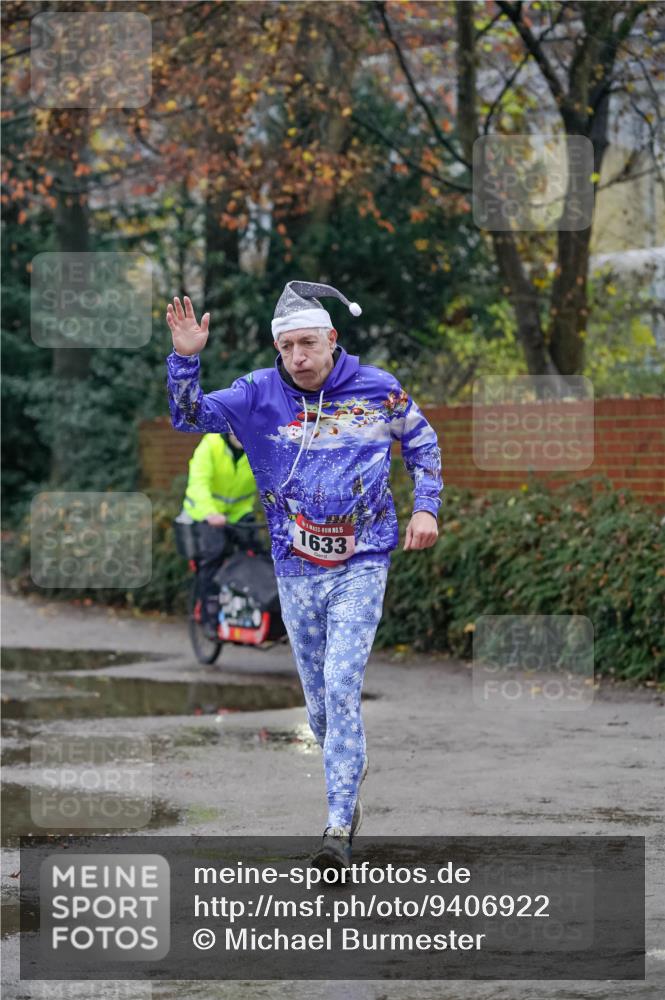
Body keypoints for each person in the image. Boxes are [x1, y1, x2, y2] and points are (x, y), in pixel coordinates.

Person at [165, 280, 442, 870]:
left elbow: (422, 443)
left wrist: (426, 507)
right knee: (319, 707)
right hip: (294, 568)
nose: (298, 357)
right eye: (287, 347)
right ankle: (348, 757)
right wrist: (186, 357)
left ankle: (337, 826)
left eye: (309, 344)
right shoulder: (257, 395)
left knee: (342, 690)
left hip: (361, 562)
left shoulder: (378, 389)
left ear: (332, 339)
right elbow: (187, 416)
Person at [179, 431, 258, 637]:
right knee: (213, 558)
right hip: (204, 513)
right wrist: (210, 512)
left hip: (238, 513)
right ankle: (209, 617)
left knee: (258, 553)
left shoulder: (256, 446)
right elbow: (198, 482)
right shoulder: (211, 444)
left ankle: (254, 610)